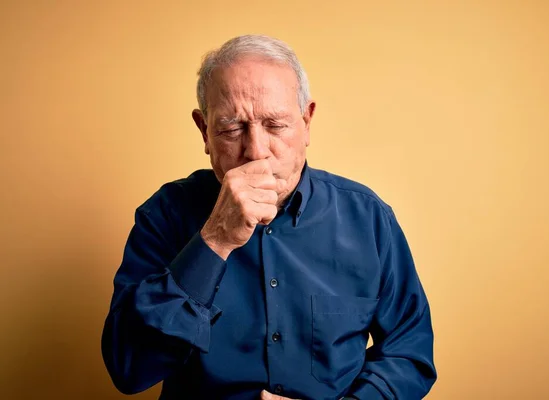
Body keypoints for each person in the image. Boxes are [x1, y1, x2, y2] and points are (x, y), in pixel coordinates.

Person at [101, 34, 437, 400]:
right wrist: (214, 241)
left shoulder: (368, 218)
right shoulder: (164, 215)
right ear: (204, 131)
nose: (256, 151)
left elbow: (409, 354)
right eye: (231, 129)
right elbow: (129, 369)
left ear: (306, 122)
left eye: (275, 125)